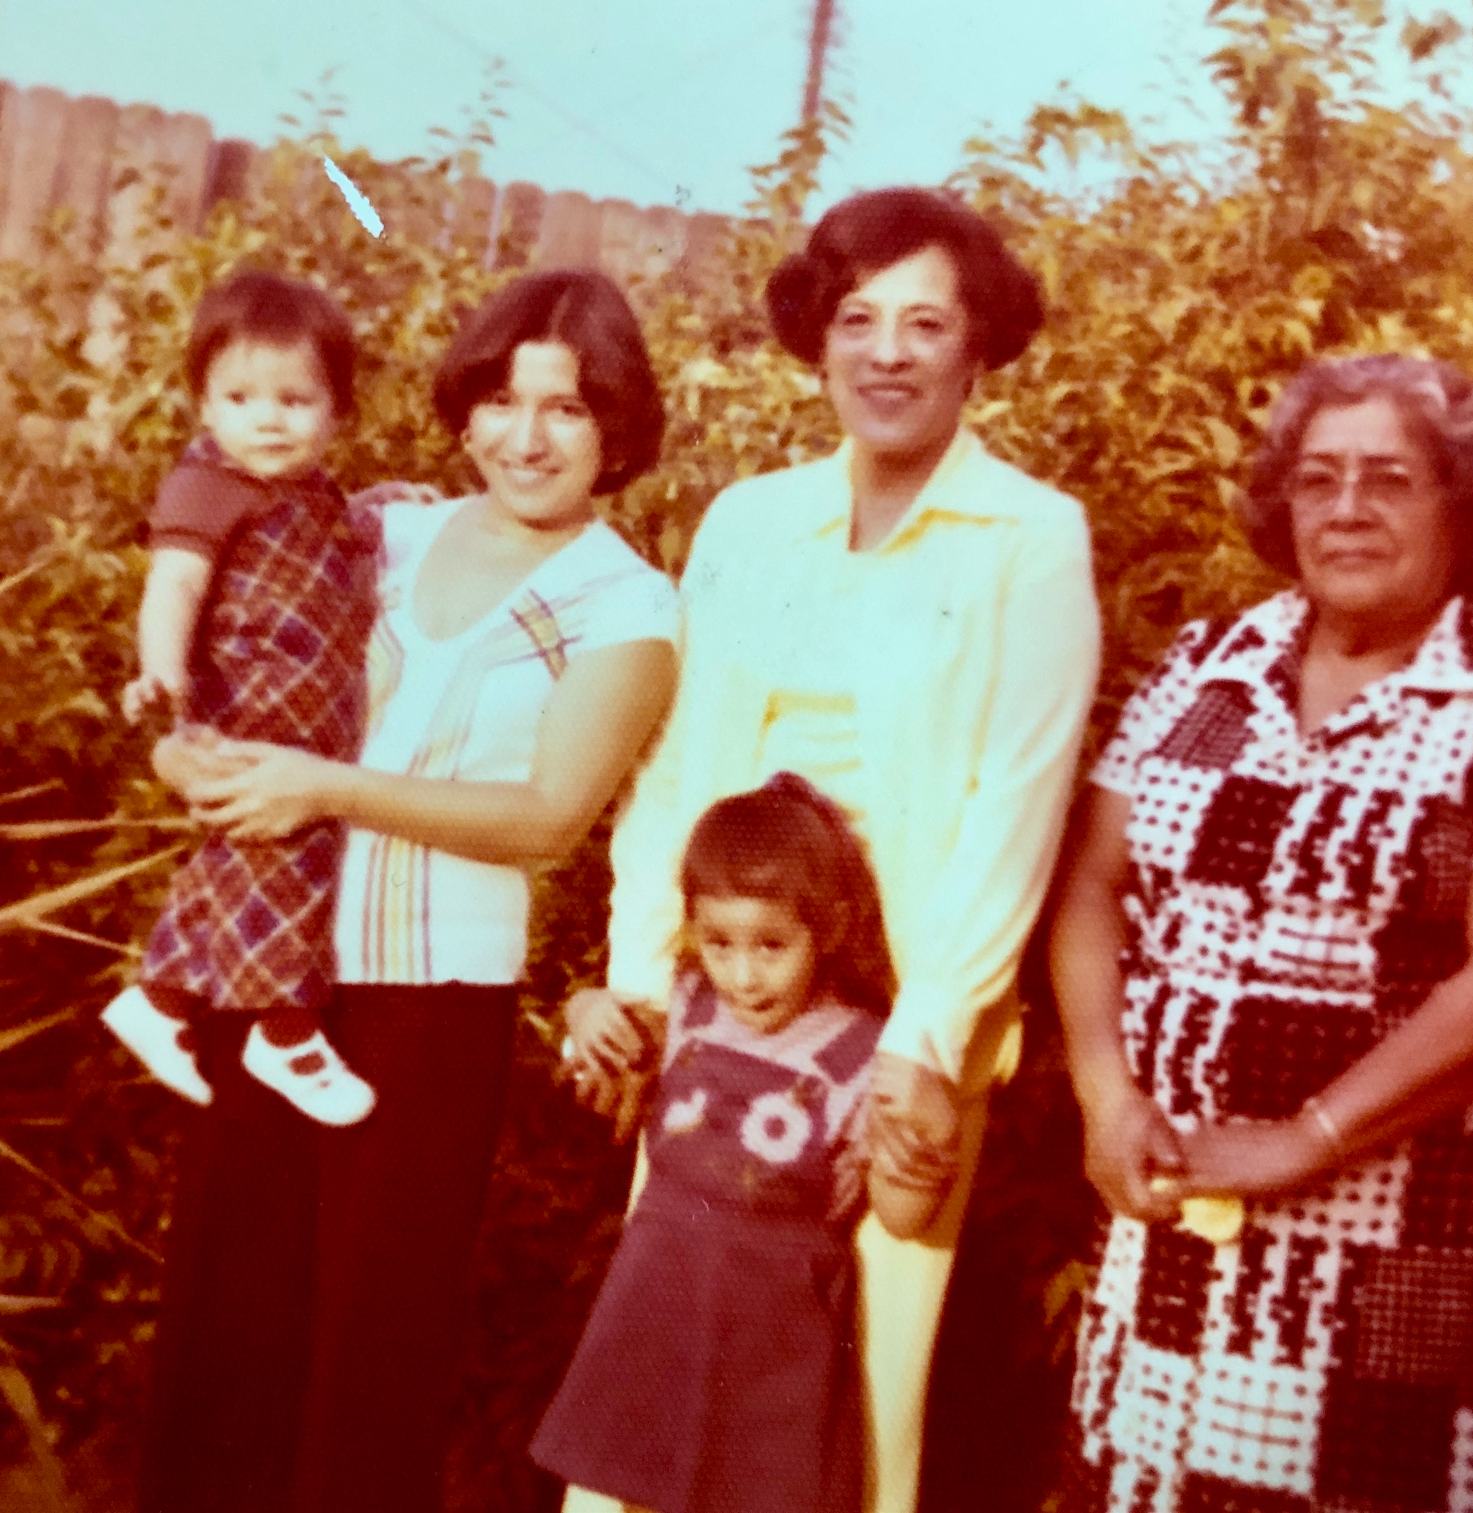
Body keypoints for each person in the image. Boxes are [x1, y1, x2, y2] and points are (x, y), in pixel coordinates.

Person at [565, 186, 1102, 1513]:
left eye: (926, 323)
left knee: (848, 1405)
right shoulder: (750, 521)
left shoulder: (1027, 537)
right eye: (856, 319)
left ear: (977, 349)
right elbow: (675, 770)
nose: (887, 352)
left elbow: (1015, 804)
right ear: (816, 340)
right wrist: (638, 984)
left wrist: (924, 1044)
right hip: (722, 998)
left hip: (897, 1026)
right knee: (662, 1365)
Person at [135, 267, 679, 1513]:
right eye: (499, 399)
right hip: (265, 974)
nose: (524, 436)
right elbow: (218, 637)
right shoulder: (378, 527)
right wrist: (181, 742)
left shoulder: (627, 604)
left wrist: (325, 788)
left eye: (567, 408)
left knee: (364, 1358)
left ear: (616, 429)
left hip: (426, 1014)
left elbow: (546, 820)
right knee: (223, 1323)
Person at [1049, 354, 1473, 1513]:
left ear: (1460, 507)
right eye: (1316, 480)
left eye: (1388, 479)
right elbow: (1091, 888)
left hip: (1399, 1246)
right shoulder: (1210, 664)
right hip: (1171, 1216)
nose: (1346, 509)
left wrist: (1301, 1138)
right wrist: (1104, 1095)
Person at [534, 774, 944, 1513]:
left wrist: (920, 1141)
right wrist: (586, 1004)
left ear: (829, 925)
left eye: (771, 945)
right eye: (718, 942)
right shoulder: (688, 1006)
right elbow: (596, 1058)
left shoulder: (860, 1052)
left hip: (773, 1338)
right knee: (635, 1489)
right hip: (659, 1303)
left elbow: (905, 1213)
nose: (743, 975)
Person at [102, 268, 378, 1125]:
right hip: (247, 708)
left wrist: (377, 508)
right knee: (288, 854)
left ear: (336, 412)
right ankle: (286, 1030)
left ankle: (161, 1001)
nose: (268, 417)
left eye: (295, 400)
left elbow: (336, 548)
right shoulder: (205, 486)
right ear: (204, 407)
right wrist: (161, 667)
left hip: (311, 718)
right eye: (241, 396)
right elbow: (175, 586)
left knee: (240, 860)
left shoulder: (314, 495)